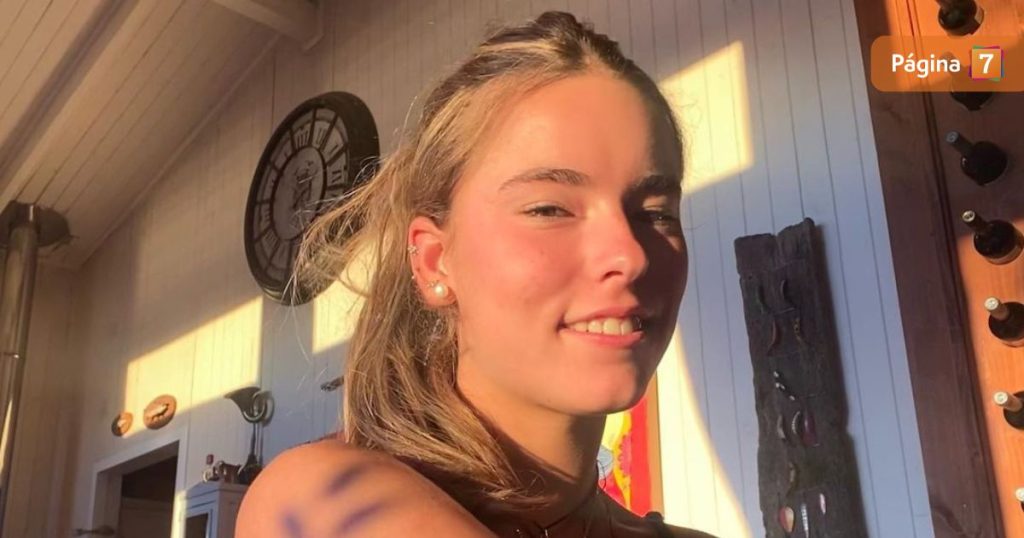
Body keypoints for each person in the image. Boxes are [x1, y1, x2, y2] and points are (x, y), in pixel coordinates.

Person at [237, 11, 716, 538]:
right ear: (434, 261)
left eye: (656, 213)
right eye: (549, 209)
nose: (631, 254)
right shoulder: (325, 497)